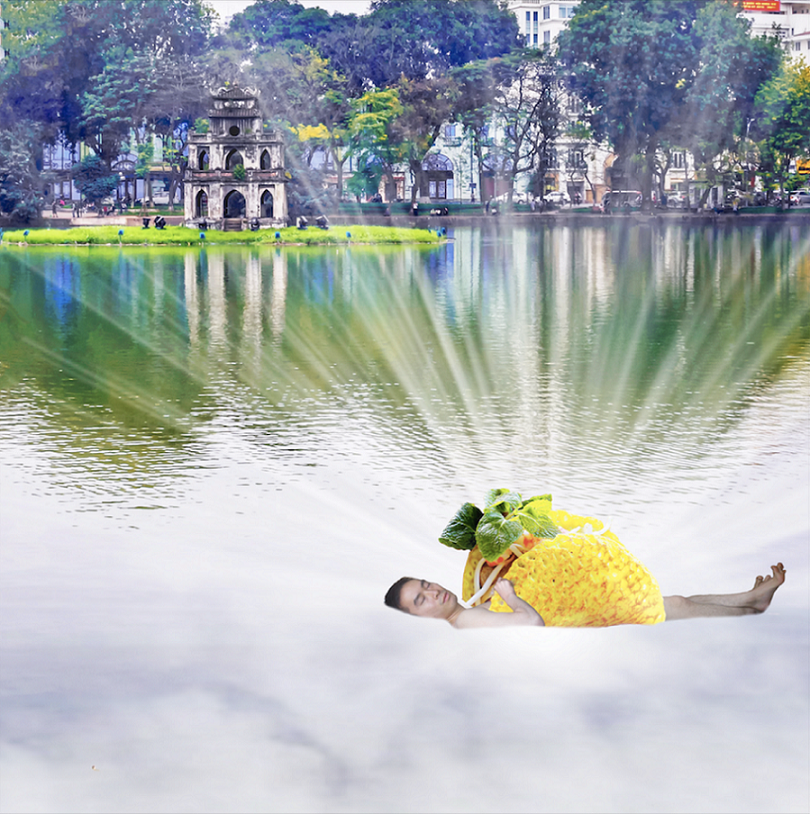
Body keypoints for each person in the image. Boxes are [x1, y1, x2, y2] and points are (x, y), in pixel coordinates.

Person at [385, 564, 786, 630]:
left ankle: (752, 600)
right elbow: (531, 623)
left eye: (424, 585)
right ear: (419, 618)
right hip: (579, 626)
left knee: (675, 599)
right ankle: (750, 610)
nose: (432, 591)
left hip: (575, 615)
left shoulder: (468, 612)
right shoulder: (468, 621)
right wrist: (509, 593)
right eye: (420, 600)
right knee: (675, 605)